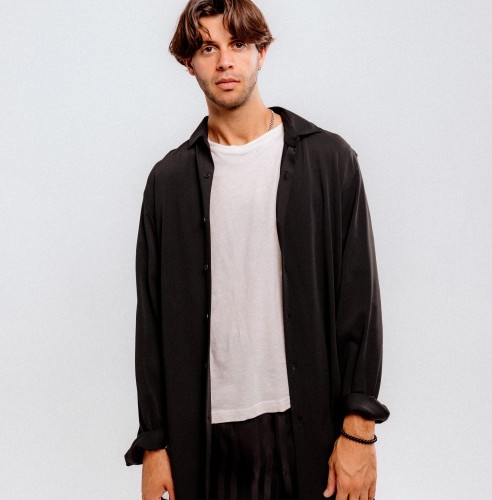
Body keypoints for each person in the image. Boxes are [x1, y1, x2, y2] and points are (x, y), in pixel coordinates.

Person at [124, 1, 390, 499]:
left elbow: (359, 305)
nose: (225, 61)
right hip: (205, 440)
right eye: (208, 48)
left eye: (239, 44)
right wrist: (154, 444)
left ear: (261, 52)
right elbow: (152, 323)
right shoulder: (168, 183)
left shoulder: (329, 161)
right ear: (189, 63)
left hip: (309, 428)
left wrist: (360, 430)